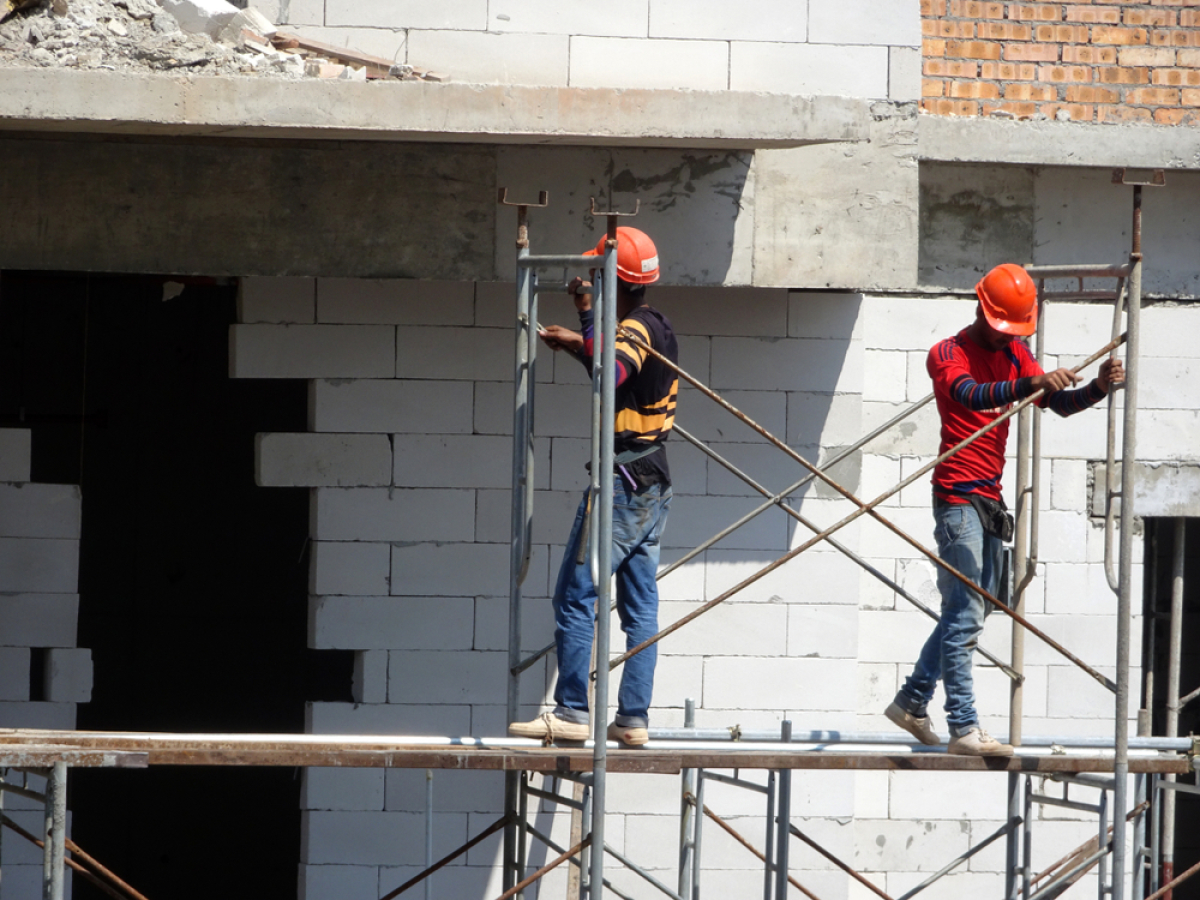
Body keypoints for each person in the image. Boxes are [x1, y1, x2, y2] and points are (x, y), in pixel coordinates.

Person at [886, 263, 1125, 757]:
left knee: (971, 609)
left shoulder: (1015, 350)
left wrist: (1098, 387)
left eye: (1010, 333)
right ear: (980, 309)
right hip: (956, 497)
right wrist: (1033, 382)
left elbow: (1058, 405)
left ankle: (913, 699)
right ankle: (963, 726)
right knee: (966, 611)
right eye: (1000, 330)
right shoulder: (948, 354)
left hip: (988, 499)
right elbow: (969, 394)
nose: (1004, 341)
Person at [509, 226, 679, 747]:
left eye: (600, 275)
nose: (594, 282)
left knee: (577, 594)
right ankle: (632, 719)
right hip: (653, 479)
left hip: (623, 485)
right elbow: (613, 369)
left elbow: (612, 371)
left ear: (618, 278)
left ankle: (572, 711)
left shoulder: (632, 328)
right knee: (640, 606)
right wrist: (578, 343)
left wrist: (586, 317)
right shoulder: (656, 325)